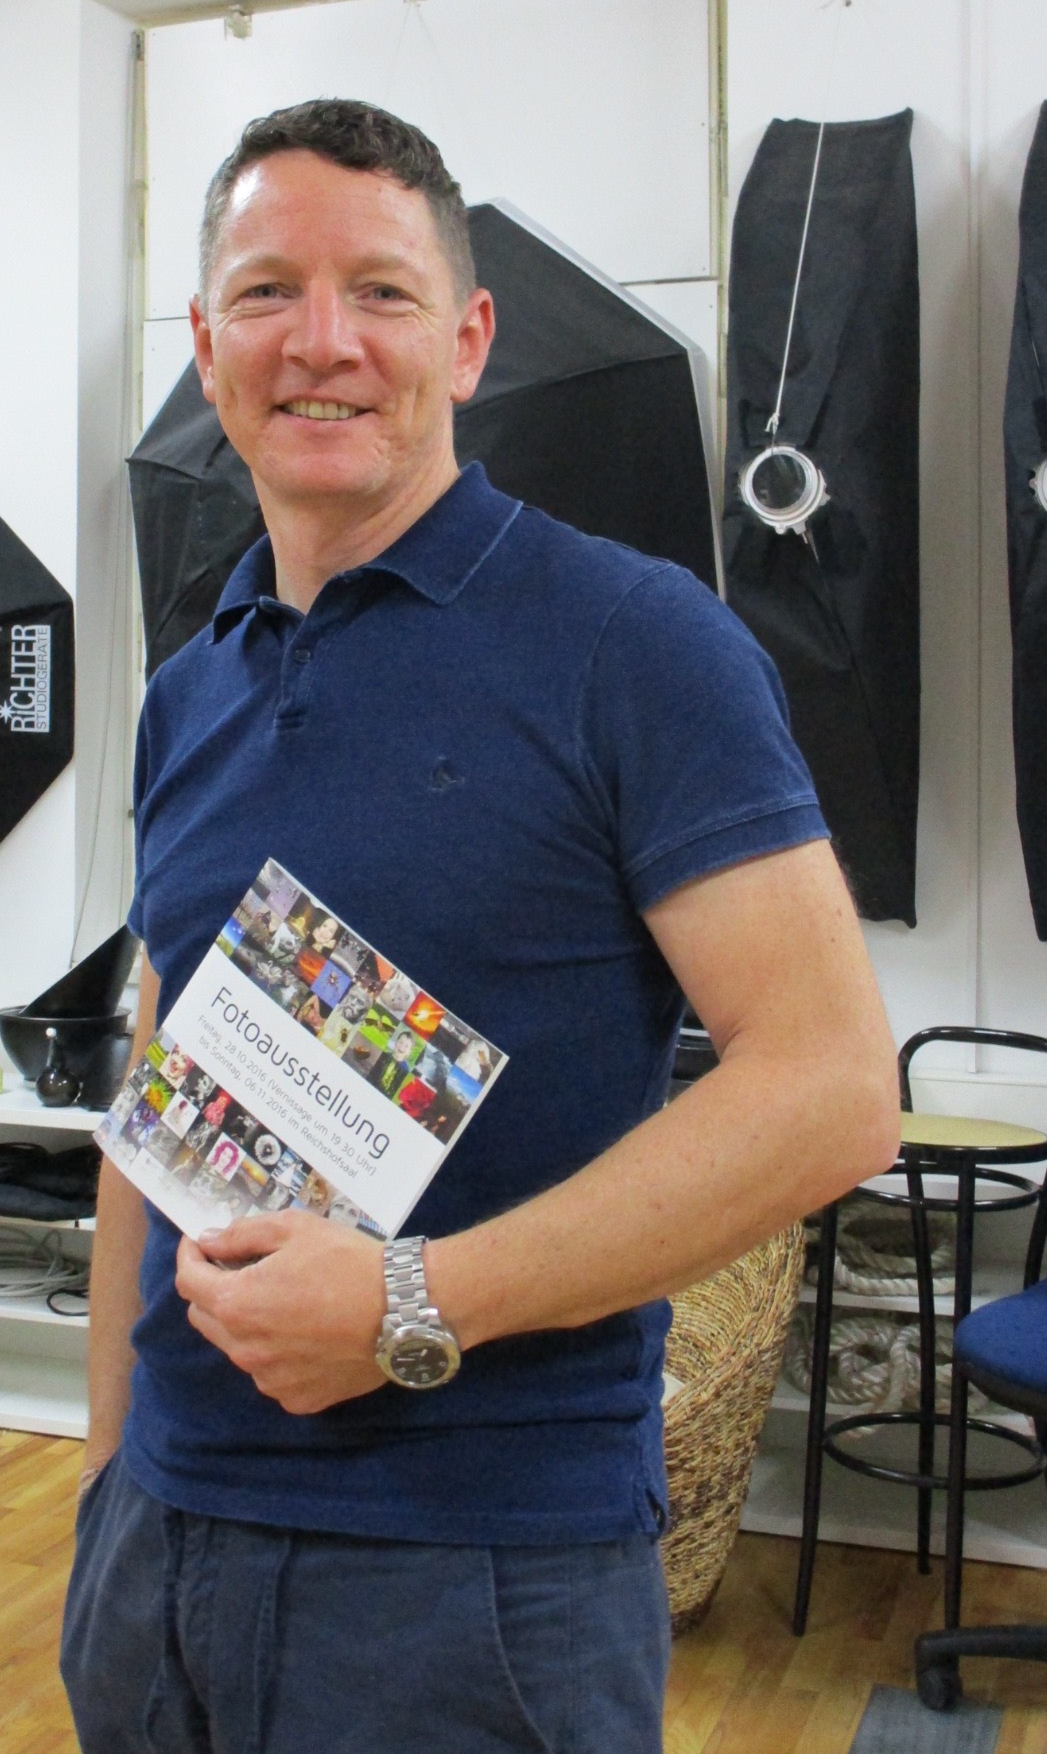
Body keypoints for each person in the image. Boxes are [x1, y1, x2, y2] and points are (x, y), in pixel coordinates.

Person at [61, 98, 899, 1754]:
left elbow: (831, 1088)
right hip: (163, 1551)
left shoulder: (634, 641)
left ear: (467, 339)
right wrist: (107, 1481)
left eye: (380, 291)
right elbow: (153, 1106)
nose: (322, 342)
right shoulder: (188, 692)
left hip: (481, 1580)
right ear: (207, 346)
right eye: (266, 292)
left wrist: (410, 1303)